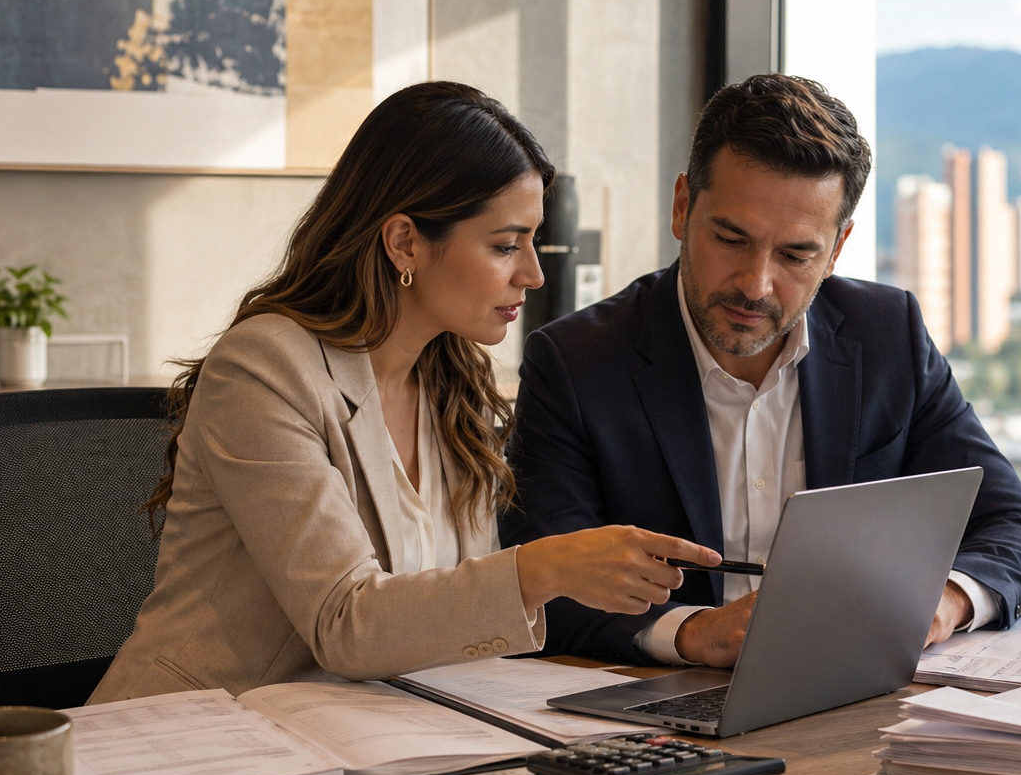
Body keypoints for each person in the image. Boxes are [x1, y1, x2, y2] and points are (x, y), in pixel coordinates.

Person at [90, 82, 720, 703]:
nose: (533, 273)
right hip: (200, 740)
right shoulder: (264, 369)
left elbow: (449, 621)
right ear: (404, 242)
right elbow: (347, 623)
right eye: (506, 245)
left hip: (366, 740)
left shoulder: (455, 383)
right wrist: (544, 569)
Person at [500, 74, 1021, 669]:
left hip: (855, 688)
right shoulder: (576, 362)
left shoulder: (886, 333)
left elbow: (1017, 528)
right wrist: (696, 632)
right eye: (731, 239)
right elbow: (539, 583)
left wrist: (942, 601)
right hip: (666, 710)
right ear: (683, 207)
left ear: (838, 248)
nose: (756, 284)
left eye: (796, 255)